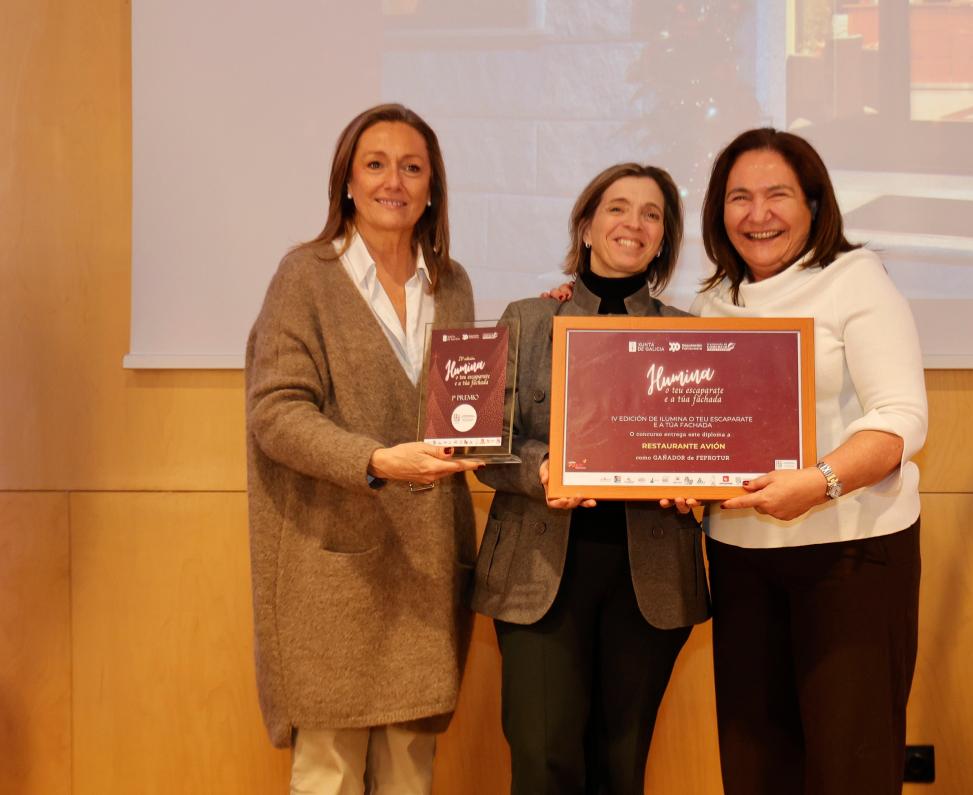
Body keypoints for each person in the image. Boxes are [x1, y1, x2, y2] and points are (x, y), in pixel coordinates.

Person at [244, 103, 483, 795]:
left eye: (412, 167)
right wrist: (375, 462)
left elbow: (466, 406)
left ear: (432, 186)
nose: (394, 181)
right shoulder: (306, 275)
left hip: (427, 568)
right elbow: (276, 413)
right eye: (375, 164)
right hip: (331, 576)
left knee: (411, 775)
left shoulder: (454, 282)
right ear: (346, 182)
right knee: (330, 777)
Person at [690, 128, 928, 794]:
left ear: (816, 207)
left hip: (852, 556)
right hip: (739, 558)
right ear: (718, 211)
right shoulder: (712, 302)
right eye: (739, 197)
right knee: (756, 764)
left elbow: (901, 420)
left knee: (849, 765)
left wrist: (819, 484)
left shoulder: (858, 280)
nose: (757, 213)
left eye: (778, 195)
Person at [472, 163, 710, 795]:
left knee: (621, 767)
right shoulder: (524, 318)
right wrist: (539, 469)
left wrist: (704, 484)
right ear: (585, 225)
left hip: (650, 580)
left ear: (664, 239)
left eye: (652, 214)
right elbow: (478, 440)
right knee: (543, 758)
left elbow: (715, 448)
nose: (633, 223)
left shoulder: (691, 336)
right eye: (617, 208)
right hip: (537, 573)